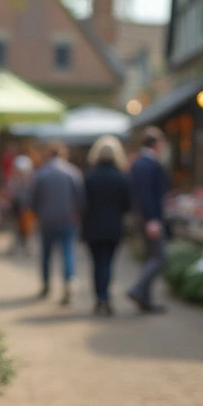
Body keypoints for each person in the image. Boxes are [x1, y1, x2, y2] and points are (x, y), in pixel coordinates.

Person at [30, 141, 86, 305]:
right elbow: (80, 198)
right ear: (63, 154)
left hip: (46, 220)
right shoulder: (72, 172)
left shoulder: (41, 173)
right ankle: (68, 281)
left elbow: (33, 199)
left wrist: (38, 213)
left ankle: (46, 285)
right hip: (67, 219)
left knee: (46, 254)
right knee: (67, 252)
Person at [83, 135, 132, 316]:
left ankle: (99, 298)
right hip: (113, 227)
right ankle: (105, 297)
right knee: (108, 263)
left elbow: (83, 204)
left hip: (93, 227)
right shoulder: (121, 178)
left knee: (96, 264)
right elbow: (127, 205)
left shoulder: (90, 177)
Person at [127, 128, 170, 313]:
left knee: (149, 258)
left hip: (141, 217)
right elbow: (148, 195)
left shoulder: (138, 164)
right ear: (156, 144)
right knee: (159, 258)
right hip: (150, 218)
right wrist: (152, 219)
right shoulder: (150, 165)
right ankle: (138, 289)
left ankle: (145, 299)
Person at [6, 154, 35, 256]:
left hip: (26, 207)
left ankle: (26, 248)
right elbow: (10, 192)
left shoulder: (31, 180)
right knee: (16, 228)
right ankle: (17, 247)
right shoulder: (14, 180)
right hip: (17, 207)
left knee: (27, 229)